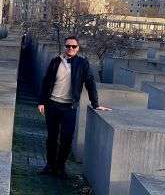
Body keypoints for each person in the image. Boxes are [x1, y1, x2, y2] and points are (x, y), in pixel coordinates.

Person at [37, 36, 110, 176]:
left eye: (73, 46)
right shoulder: (55, 61)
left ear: (78, 48)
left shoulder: (82, 64)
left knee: (66, 137)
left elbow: (90, 84)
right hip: (52, 104)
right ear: (64, 47)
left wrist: (96, 104)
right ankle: (50, 165)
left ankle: (60, 167)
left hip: (69, 107)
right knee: (52, 137)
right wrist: (41, 101)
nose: (70, 48)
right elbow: (46, 82)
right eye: (68, 46)